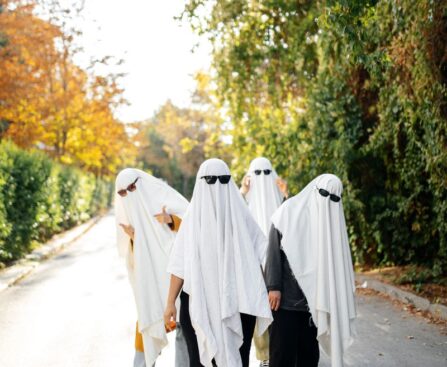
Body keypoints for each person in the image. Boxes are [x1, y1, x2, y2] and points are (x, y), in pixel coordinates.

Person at [164, 158, 273, 367]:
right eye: (210, 180)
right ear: (200, 182)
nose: (217, 186)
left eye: (222, 180)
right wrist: (170, 303)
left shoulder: (242, 217)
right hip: (198, 303)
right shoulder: (191, 221)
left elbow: (265, 254)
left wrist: (272, 289)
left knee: (239, 360)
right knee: (199, 362)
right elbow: (178, 265)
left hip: (239, 305)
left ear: (229, 181)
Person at [265, 173, 357, 367]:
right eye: (325, 195)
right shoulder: (289, 210)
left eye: (334, 198)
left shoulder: (332, 219)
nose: (328, 202)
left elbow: (337, 264)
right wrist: (273, 286)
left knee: (308, 356)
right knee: (282, 355)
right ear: (315, 189)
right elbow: (273, 249)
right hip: (285, 302)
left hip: (314, 303)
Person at [115, 168, 190, 367]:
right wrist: (134, 238)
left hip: (178, 280)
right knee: (147, 323)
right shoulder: (130, 214)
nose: (128, 195)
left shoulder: (164, 198)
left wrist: (171, 220)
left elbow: (194, 228)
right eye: (122, 192)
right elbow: (134, 257)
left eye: (131, 188)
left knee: (185, 329)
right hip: (152, 282)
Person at [239, 157, 288, 367]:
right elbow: (231, 214)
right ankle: (264, 356)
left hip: (279, 268)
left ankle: (276, 354)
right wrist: (242, 191)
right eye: (256, 173)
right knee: (257, 310)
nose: (262, 178)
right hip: (253, 267)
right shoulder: (243, 204)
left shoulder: (284, 205)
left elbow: (294, 221)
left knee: (278, 311)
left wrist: (286, 193)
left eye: (266, 173)